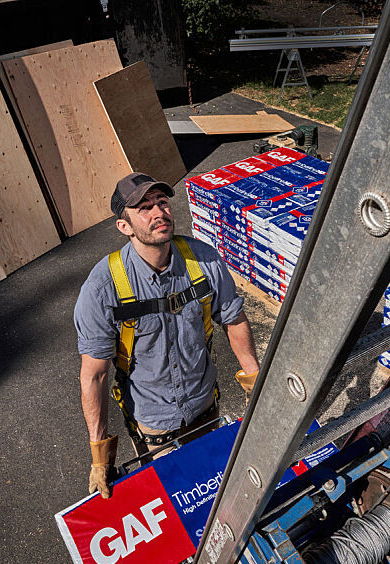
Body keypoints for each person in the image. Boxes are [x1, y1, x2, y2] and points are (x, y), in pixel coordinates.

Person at [74, 172, 261, 499]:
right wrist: (100, 456)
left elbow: (233, 319)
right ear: (124, 227)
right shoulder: (103, 289)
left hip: (206, 407)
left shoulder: (203, 261)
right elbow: (95, 375)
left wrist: (254, 382)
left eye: (162, 202)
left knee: (215, 489)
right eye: (145, 208)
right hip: (155, 426)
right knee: (179, 497)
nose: (159, 212)